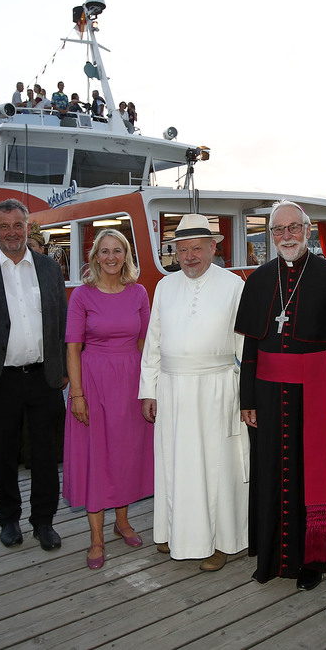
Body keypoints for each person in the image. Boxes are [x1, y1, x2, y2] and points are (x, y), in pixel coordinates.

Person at [235, 201, 326, 591]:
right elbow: (251, 347)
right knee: (270, 472)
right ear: (270, 234)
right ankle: (269, 558)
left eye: (293, 227)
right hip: (268, 393)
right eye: (278, 229)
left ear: (307, 230)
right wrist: (247, 399)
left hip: (316, 393)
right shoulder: (258, 280)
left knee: (311, 476)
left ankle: (312, 562)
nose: (286, 235)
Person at [138, 213, 248, 571]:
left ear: (213, 248)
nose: (189, 257)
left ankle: (222, 542)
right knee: (175, 465)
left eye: (197, 249)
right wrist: (149, 390)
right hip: (171, 390)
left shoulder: (234, 286)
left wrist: (246, 397)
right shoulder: (165, 287)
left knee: (217, 468)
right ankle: (175, 532)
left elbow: (245, 347)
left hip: (217, 390)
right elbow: (153, 342)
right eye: (182, 250)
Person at [0, 199, 68, 552]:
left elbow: (60, 321)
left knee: (45, 454)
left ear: (27, 227)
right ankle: (8, 518)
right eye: (4, 226)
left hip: (43, 376)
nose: (11, 232)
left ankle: (44, 521)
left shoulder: (49, 268)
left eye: (17, 225)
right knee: (1, 453)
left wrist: (64, 369)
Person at [64, 230, 152, 569]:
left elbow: (145, 342)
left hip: (130, 382)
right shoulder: (82, 295)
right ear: (95, 257)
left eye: (117, 250)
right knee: (96, 458)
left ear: (126, 255)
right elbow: (73, 348)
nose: (111, 257)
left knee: (125, 455)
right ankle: (96, 538)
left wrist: (148, 388)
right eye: (104, 251)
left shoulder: (139, 292)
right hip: (93, 382)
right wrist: (77, 395)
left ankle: (123, 522)